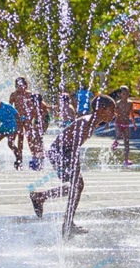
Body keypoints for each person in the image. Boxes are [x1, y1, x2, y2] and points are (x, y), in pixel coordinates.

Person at [29, 95, 117, 238]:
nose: (114, 114)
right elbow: (74, 146)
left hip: (63, 152)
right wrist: (76, 166)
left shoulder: (93, 122)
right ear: (101, 109)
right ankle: (66, 223)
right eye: (112, 110)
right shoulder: (87, 123)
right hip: (60, 153)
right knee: (77, 185)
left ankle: (42, 198)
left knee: (76, 186)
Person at [10, 77, 48, 170]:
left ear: (26, 85)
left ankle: (35, 157)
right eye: (18, 85)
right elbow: (10, 107)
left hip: (28, 119)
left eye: (22, 85)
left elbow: (39, 106)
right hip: (18, 119)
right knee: (19, 139)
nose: (20, 87)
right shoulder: (13, 95)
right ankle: (19, 158)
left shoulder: (30, 94)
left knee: (30, 138)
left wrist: (36, 117)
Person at [111, 85, 137, 165]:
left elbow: (131, 114)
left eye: (127, 94)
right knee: (118, 135)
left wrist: (134, 123)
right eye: (124, 94)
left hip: (126, 124)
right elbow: (113, 113)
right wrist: (108, 122)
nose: (126, 95)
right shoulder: (118, 103)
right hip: (118, 122)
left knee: (127, 141)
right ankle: (115, 142)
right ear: (120, 95)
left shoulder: (130, 103)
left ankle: (126, 159)